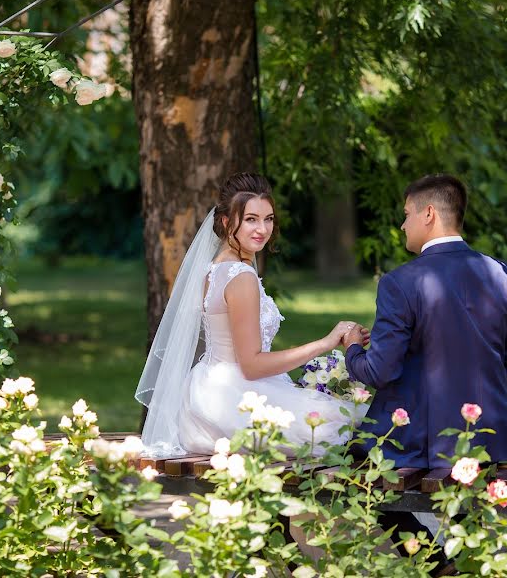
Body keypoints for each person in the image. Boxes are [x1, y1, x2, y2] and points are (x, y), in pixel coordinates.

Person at [341, 173, 507, 573]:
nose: (402, 224)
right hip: (489, 439)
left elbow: (378, 370)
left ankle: (437, 565)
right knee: (462, 488)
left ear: (429, 214)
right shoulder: (504, 274)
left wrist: (352, 348)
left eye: (406, 214)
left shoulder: (400, 282)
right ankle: (464, 561)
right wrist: (476, 416)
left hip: (418, 442)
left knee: (352, 469)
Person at [136, 172, 369, 457]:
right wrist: (327, 342)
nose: (262, 229)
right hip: (234, 399)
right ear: (226, 221)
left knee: (348, 420)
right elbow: (251, 365)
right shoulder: (240, 276)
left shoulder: (216, 268)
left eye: (268, 218)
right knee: (349, 427)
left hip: (206, 392)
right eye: (251, 219)